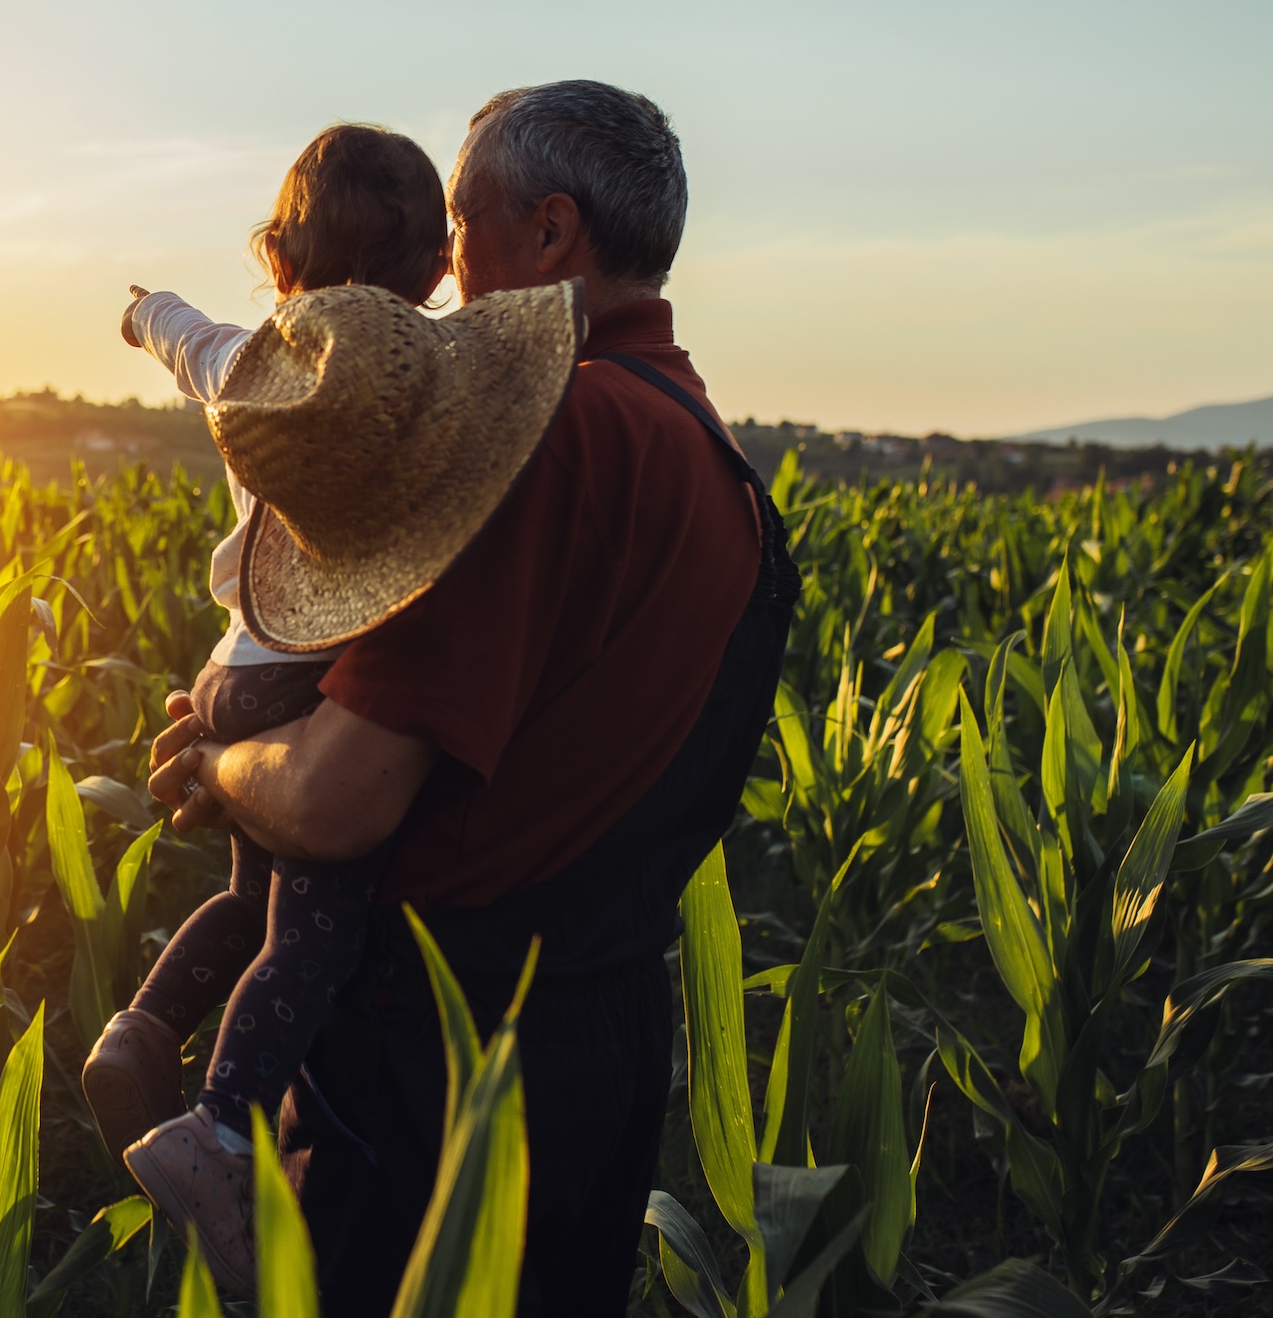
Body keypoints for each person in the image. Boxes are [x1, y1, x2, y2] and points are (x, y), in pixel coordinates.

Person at [145, 79, 799, 1316]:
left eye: (462, 219)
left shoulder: (543, 436)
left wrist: (219, 767)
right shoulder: (706, 450)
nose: (442, 261)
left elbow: (338, 800)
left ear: (549, 235)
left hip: (439, 1058)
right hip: (597, 1040)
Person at [81, 124, 466, 1295]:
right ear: (438, 275)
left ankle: (139, 1032)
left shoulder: (249, 362)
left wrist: (146, 311)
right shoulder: (419, 389)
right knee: (313, 929)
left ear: (282, 260)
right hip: (313, 673)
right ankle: (220, 1128)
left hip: (235, 664)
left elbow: (184, 337)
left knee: (248, 908)